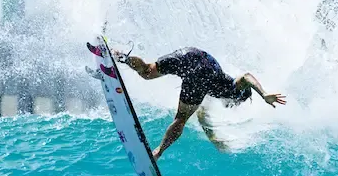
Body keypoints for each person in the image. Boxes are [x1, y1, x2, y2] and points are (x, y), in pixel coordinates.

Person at [117, 47, 286, 160]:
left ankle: (120, 56)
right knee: (181, 119)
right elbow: (247, 77)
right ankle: (158, 152)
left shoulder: (217, 87)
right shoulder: (234, 90)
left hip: (190, 54)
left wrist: (214, 139)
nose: (230, 106)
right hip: (201, 75)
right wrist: (264, 94)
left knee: (147, 72)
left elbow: (202, 116)